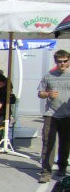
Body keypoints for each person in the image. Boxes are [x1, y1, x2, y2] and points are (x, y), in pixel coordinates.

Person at [37, 49, 70, 183]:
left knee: (65, 143)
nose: (62, 64)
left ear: (69, 61)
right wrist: (48, 94)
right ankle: (46, 172)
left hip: (67, 114)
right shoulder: (48, 75)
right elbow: (40, 93)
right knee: (48, 143)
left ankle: (62, 167)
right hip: (50, 114)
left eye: (65, 61)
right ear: (55, 61)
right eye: (59, 61)